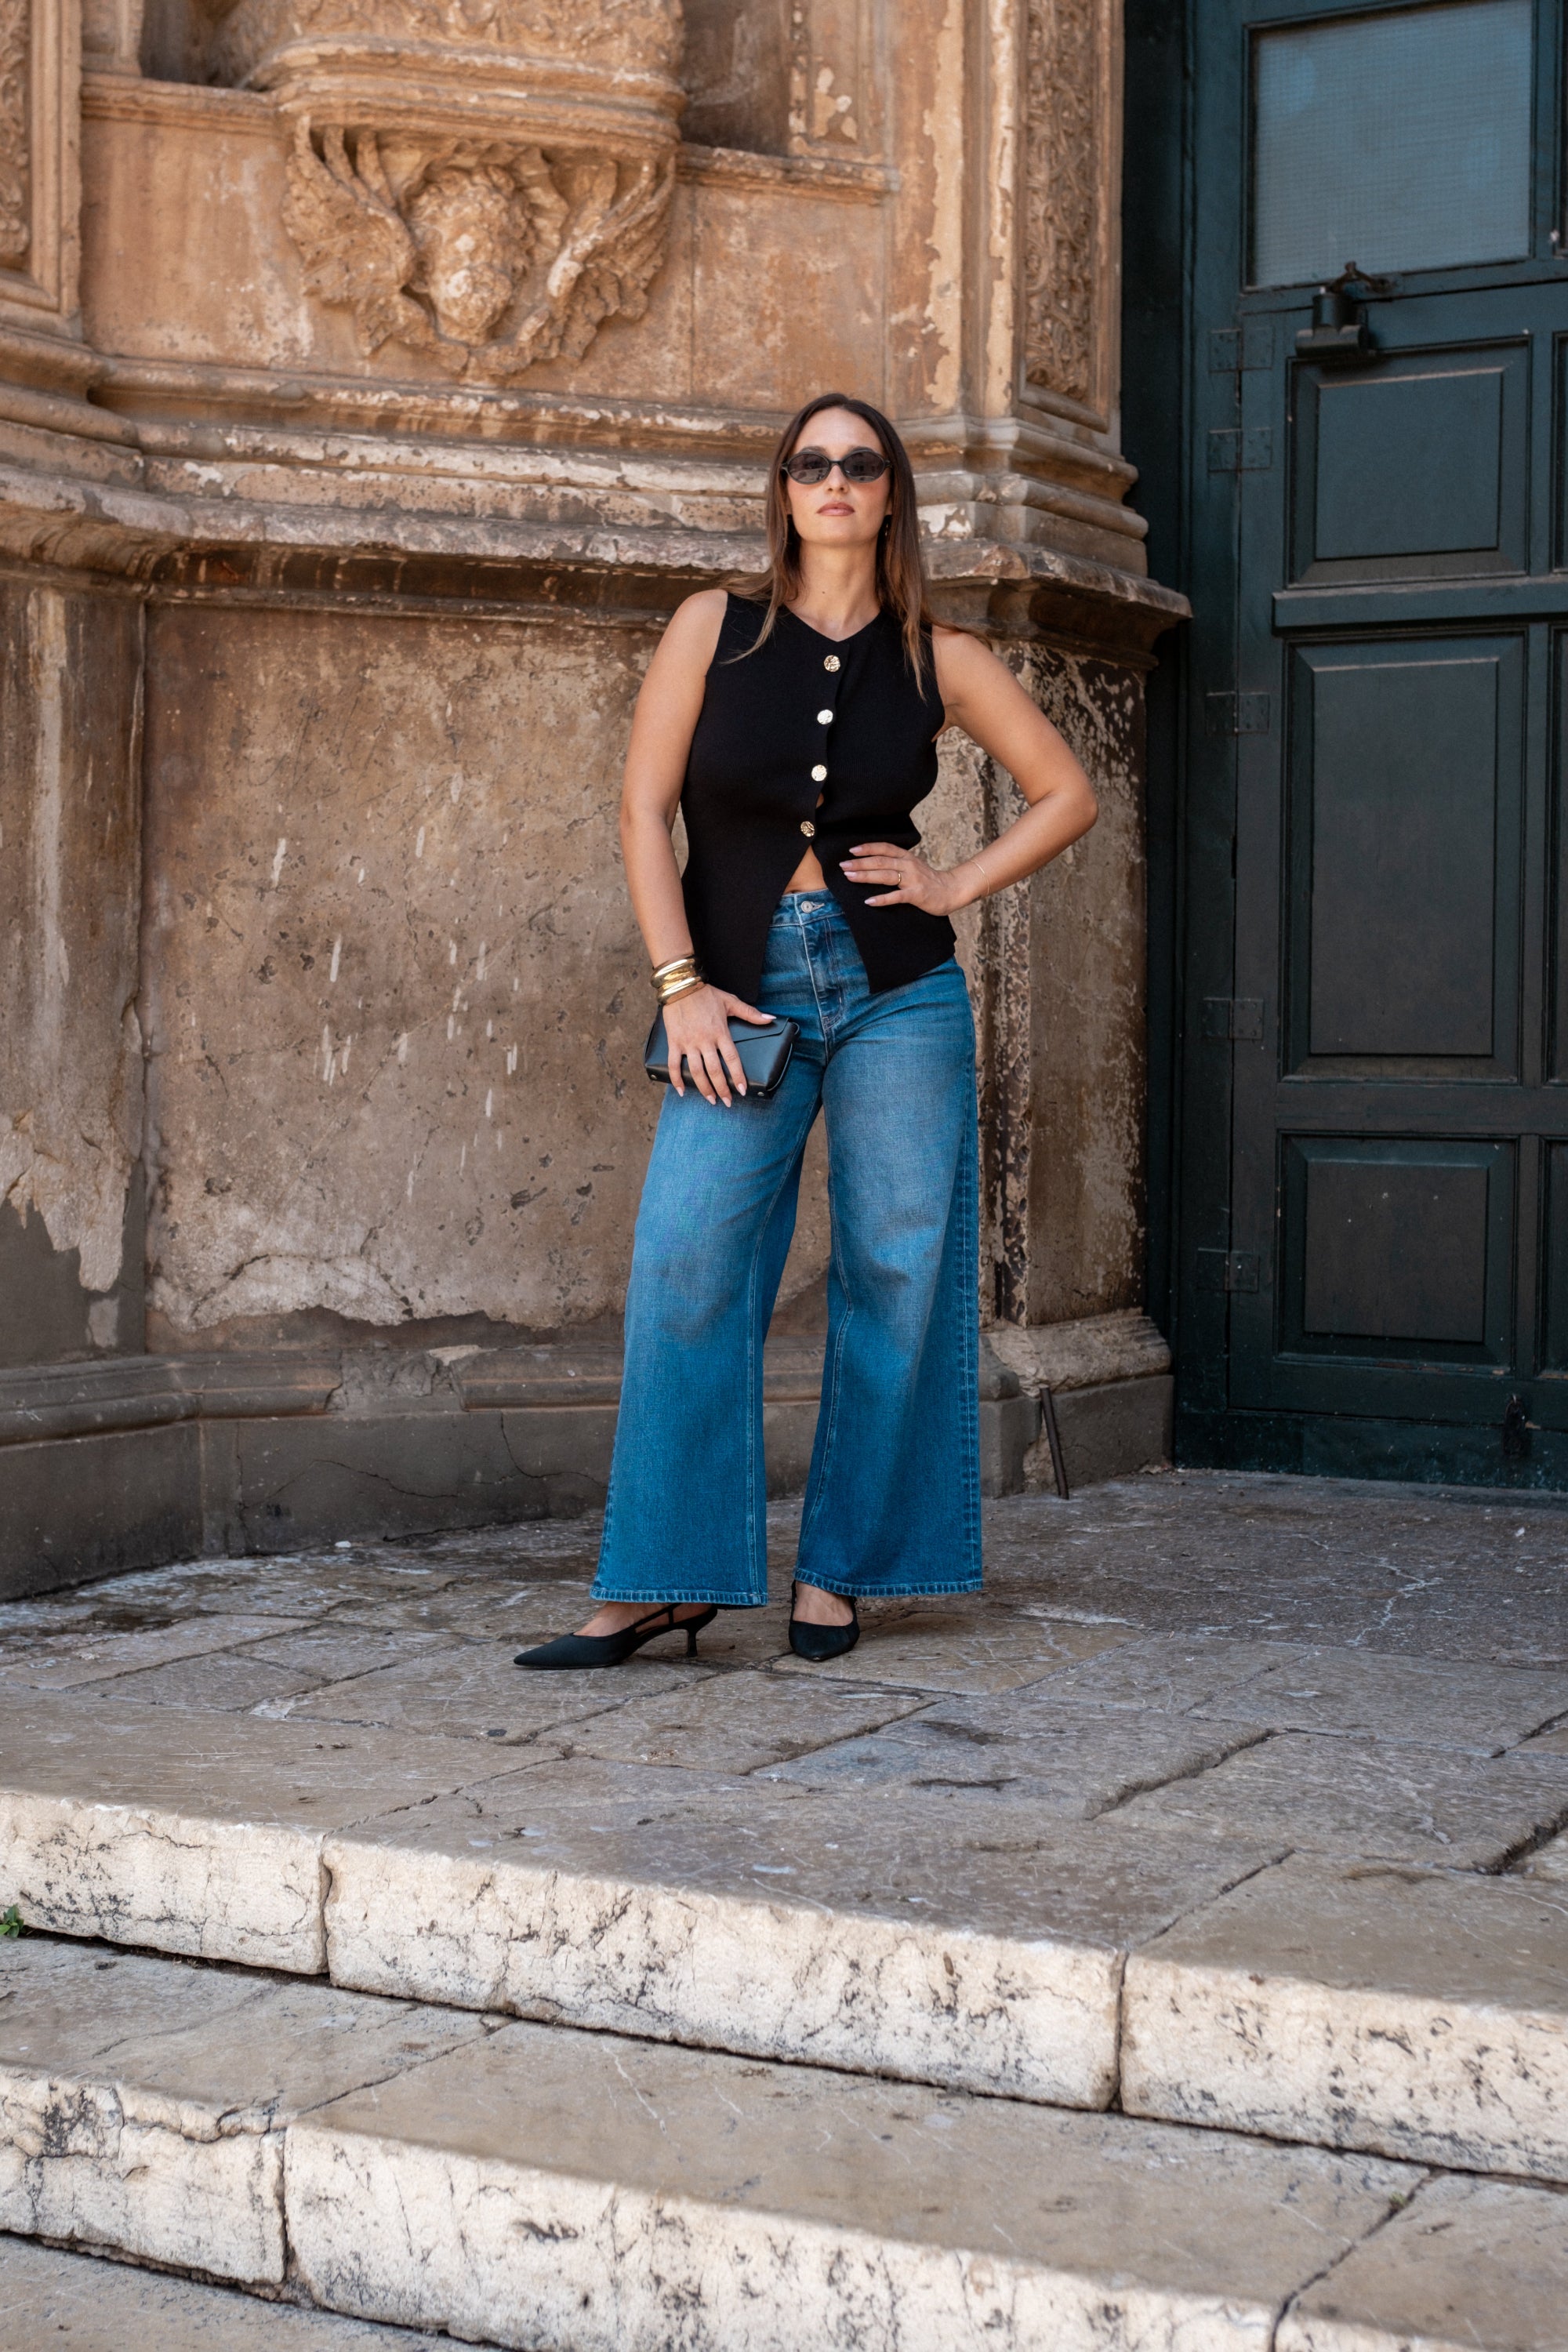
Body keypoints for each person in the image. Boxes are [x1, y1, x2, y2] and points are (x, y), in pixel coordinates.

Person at [517, 390, 1097, 1671]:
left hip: (900, 995)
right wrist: (680, 984)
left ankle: (841, 1568)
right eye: (810, 463)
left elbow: (1067, 793)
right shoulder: (710, 629)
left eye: (860, 463)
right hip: (737, 993)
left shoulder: (939, 655)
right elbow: (641, 812)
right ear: (783, 489)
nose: (834, 481)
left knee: (896, 1273)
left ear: (891, 494)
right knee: (686, 1262)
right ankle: (662, 1580)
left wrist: (952, 886)